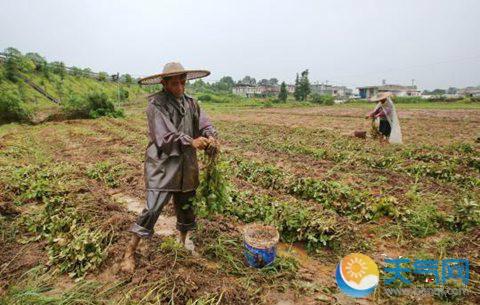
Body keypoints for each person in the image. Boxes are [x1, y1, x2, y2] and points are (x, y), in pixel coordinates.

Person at [121, 62, 218, 273]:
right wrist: (191, 141)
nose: (180, 87)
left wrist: (210, 135)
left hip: (187, 165)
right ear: (164, 84)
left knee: (186, 207)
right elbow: (164, 136)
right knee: (153, 208)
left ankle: (182, 244)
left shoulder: (192, 103)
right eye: (175, 83)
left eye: (183, 82)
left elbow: (204, 123)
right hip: (163, 165)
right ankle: (130, 251)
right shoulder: (156, 105)